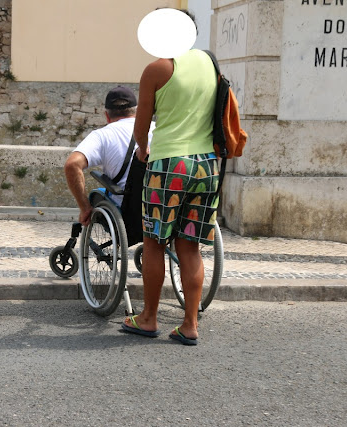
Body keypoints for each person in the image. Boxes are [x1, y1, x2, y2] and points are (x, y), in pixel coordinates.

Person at [122, 25, 219, 345]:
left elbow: (141, 127)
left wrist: (142, 148)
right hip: (206, 166)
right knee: (190, 247)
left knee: (154, 242)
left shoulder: (157, 69)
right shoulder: (209, 63)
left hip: (168, 166)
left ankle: (148, 318)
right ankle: (190, 325)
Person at [64, 86, 154, 226]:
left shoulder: (102, 135)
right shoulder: (157, 129)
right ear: (137, 111)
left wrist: (85, 207)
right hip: (159, 205)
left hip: (127, 213)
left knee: (97, 194)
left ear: (107, 115)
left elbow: (72, 165)